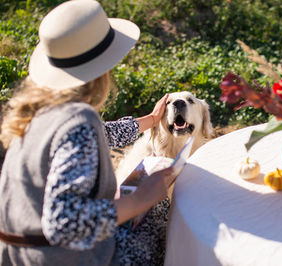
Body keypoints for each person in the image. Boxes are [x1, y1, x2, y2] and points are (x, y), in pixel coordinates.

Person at [0, 0, 177, 265]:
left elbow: (102, 135)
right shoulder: (79, 120)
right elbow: (63, 222)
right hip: (62, 258)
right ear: (102, 71)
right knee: (159, 219)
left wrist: (151, 120)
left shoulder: (36, 114)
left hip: (18, 255)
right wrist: (142, 198)